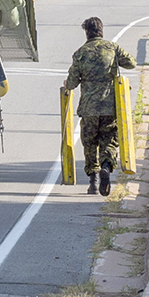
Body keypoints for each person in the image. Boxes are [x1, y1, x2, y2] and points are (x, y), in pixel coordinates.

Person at [62, 17, 136, 196]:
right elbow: (131, 63)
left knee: (89, 145)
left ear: (87, 32)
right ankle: (106, 166)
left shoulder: (80, 53)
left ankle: (93, 182)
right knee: (109, 141)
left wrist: (68, 83)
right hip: (110, 108)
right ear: (101, 31)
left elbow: (71, 83)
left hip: (89, 109)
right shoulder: (112, 48)